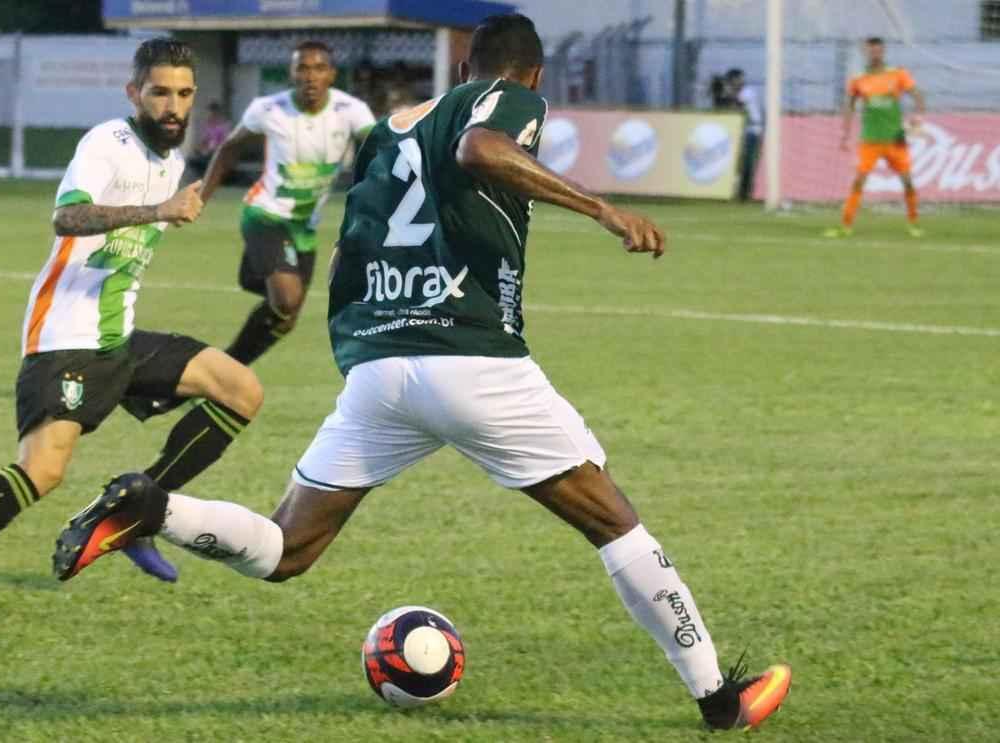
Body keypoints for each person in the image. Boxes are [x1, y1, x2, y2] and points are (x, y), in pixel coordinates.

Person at [52, 15, 791, 731]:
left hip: (381, 367)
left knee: (286, 548)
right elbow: (479, 149)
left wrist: (364, 346)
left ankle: (153, 508)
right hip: (474, 360)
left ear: (464, 63)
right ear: (530, 74)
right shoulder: (509, 97)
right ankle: (719, 697)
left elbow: (347, 253)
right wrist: (600, 207)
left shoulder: (391, 126)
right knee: (612, 522)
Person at [0, 38, 263, 607]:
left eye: (184, 94)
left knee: (239, 390)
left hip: (117, 336)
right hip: (65, 340)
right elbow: (66, 217)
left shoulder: (171, 161)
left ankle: (136, 512)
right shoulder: (107, 142)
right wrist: (158, 210)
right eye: (159, 93)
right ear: (134, 94)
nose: (173, 106)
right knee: (42, 472)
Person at [198, 40, 377, 368]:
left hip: (304, 227)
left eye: (319, 68)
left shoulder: (350, 110)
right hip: (265, 213)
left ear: (332, 75)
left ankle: (227, 368)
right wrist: (201, 198)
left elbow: (381, 147)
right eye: (303, 68)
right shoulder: (268, 109)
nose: (311, 76)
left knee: (286, 318)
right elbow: (229, 149)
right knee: (287, 298)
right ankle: (222, 372)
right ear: (291, 74)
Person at [825, 36, 926, 238]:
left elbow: (917, 95)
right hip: (870, 140)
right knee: (859, 181)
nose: (875, 54)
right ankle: (846, 226)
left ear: (883, 52)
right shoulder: (858, 79)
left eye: (878, 50)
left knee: (907, 181)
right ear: (866, 52)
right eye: (871, 51)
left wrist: (918, 118)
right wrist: (845, 133)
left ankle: (914, 224)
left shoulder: (897, 74)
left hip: (895, 139)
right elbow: (850, 105)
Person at [725, 69, 763, 202]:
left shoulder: (748, 91)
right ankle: (743, 193)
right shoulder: (740, 92)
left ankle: (748, 193)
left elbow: (739, 102)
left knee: (749, 163)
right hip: (745, 131)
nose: (736, 82)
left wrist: (727, 93)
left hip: (754, 130)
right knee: (743, 163)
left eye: (736, 79)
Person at [190, 100, 232, 174]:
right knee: (192, 161)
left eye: (213, 112)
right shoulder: (208, 125)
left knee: (206, 161)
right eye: (210, 112)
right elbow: (205, 140)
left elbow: (225, 142)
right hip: (208, 152)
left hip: (219, 152)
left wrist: (212, 148)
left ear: (217, 113)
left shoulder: (224, 125)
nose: (211, 114)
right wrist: (199, 147)